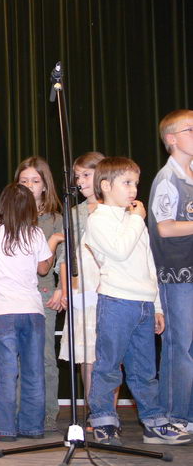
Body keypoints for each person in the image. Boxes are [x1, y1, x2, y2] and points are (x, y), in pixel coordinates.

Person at [85, 157, 192, 445]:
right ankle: (104, 420)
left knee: (145, 369)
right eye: (127, 183)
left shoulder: (134, 220)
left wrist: (156, 306)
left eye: (135, 183)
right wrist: (136, 219)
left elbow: (148, 264)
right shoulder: (99, 219)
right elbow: (119, 250)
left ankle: (154, 422)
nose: (133, 190)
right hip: (117, 302)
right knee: (109, 365)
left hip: (143, 303)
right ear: (106, 186)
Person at [0, 183, 62, 441]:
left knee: (7, 372)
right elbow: (44, 269)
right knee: (34, 371)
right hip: (33, 311)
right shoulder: (35, 234)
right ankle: (32, 427)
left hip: (3, 311)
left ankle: (3, 428)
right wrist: (54, 242)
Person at [148, 110, 193, 433]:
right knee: (181, 345)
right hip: (177, 275)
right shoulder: (167, 179)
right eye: (191, 130)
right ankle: (176, 415)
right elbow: (164, 228)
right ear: (171, 139)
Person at [15, 156, 64, 431]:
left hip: (44, 294)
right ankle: (22, 412)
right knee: (19, 358)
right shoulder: (9, 217)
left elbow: (62, 259)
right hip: (15, 297)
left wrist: (60, 288)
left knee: (44, 357)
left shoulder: (55, 219)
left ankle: (48, 413)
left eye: (35, 181)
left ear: (45, 185)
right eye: (24, 181)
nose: (30, 186)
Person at [57, 152, 104, 405]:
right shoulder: (74, 213)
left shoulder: (121, 208)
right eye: (78, 176)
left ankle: (107, 412)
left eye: (86, 174)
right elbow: (65, 256)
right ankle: (94, 411)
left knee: (107, 357)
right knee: (87, 356)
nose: (81, 181)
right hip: (82, 291)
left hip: (110, 289)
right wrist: (65, 290)